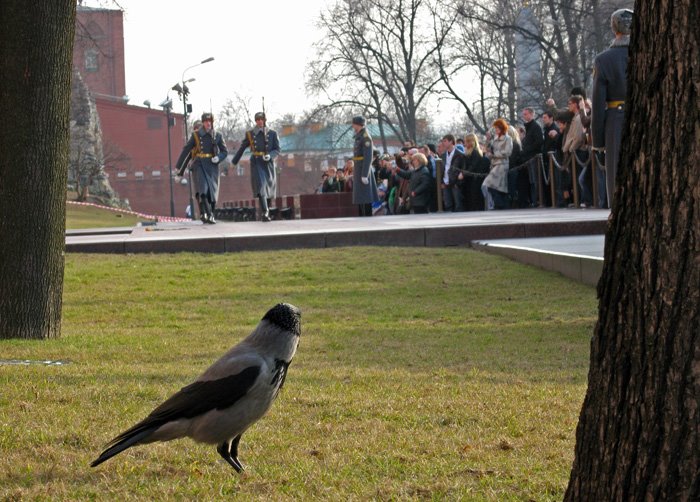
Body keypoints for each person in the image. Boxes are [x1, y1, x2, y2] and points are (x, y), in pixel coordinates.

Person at [591, 8, 633, 207]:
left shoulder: (604, 60)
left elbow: (599, 104)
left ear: (613, 28)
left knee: (617, 174)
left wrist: (598, 141)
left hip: (616, 120)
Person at [175, 112, 227, 224]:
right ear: (203, 122)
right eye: (206, 121)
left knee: (212, 193)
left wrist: (218, 158)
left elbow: (225, 151)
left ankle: (211, 214)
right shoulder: (196, 136)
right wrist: (178, 168)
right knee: (202, 191)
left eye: (210, 121)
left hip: (212, 166)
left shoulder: (217, 135)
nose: (208, 123)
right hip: (199, 165)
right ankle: (207, 214)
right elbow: (187, 150)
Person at [231, 112, 281, 222]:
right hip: (257, 162)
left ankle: (266, 210)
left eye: (261, 119)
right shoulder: (251, 134)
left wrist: (270, 156)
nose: (259, 121)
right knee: (261, 186)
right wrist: (234, 162)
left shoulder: (272, 133)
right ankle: (265, 212)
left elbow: (277, 149)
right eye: (257, 120)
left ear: (264, 120)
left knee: (267, 188)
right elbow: (242, 147)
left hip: (268, 163)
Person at [350, 116, 379, 216]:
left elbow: (368, 156)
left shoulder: (365, 136)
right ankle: (362, 215)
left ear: (358, 124)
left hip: (363, 168)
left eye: (354, 124)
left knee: (365, 195)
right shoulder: (359, 135)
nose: (352, 126)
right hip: (359, 167)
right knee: (360, 195)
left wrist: (365, 174)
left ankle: (367, 216)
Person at [482, 118, 513, 210]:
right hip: (495, 164)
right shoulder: (495, 138)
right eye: (495, 128)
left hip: (502, 164)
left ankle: (499, 204)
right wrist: (487, 140)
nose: (496, 130)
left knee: (490, 184)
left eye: (497, 128)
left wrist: (494, 155)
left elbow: (508, 152)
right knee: (497, 187)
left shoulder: (508, 138)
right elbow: (488, 148)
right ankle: (500, 205)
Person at [519, 107, 544, 206]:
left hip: (533, 157)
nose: (524, 116)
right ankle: (534, 200)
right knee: (532, 181)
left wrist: (528, 149)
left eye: (525, 114)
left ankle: (537, 200)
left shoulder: (535, 126)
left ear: (531, 114)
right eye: (523, 114)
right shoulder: (529, 127)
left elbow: (539, 142)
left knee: (535, 180)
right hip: (528, 158)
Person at [459, 133, 489, 211]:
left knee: (475, 197)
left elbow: (473, 166)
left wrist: (464, 174)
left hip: (475, 178)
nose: (464, 143)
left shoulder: (475, 152)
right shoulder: (468, 152)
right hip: (470, 178)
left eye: (466, 141)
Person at [440, 134, 466, 211]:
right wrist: (441, 182)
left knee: (458, 204)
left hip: (455, 183)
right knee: (447, 204)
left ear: (451, 141)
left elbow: (463, 169)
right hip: (445, 182)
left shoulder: (460, 154)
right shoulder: (443, 155)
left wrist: (458, 183)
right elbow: (442, 169)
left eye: (445, 141)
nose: (443, 143)